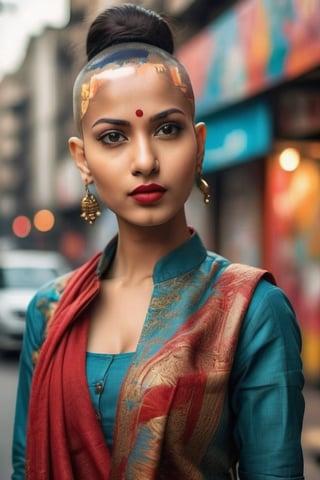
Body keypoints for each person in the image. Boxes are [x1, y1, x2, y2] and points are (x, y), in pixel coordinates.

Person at [11, 4, 305, 479]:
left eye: (167, 129)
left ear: (200, 144)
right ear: (82, 160)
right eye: (113, 137)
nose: (145, 160)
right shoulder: (49, 311)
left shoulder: (251, 311)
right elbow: (28, 468)